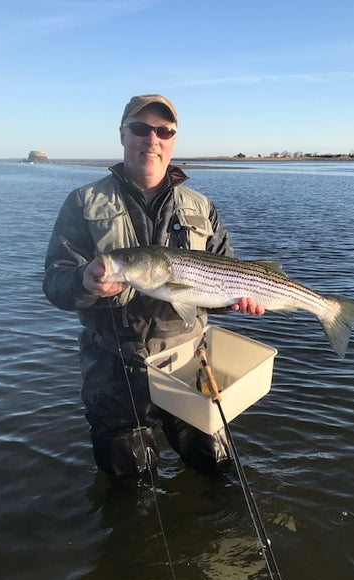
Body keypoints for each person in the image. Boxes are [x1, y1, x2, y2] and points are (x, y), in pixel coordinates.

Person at [43, 94, 264, 480]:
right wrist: (84, 281)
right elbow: (54, 282)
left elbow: (226, 277)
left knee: (217, 474)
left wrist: (238, 302)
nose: (153, 139)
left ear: (174, 140)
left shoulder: (202, 206)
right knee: (128, 489)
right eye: (141, 129)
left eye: (164, 131)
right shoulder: (82, 202)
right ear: (123, 135)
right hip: (113, 371)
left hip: (188, 364)